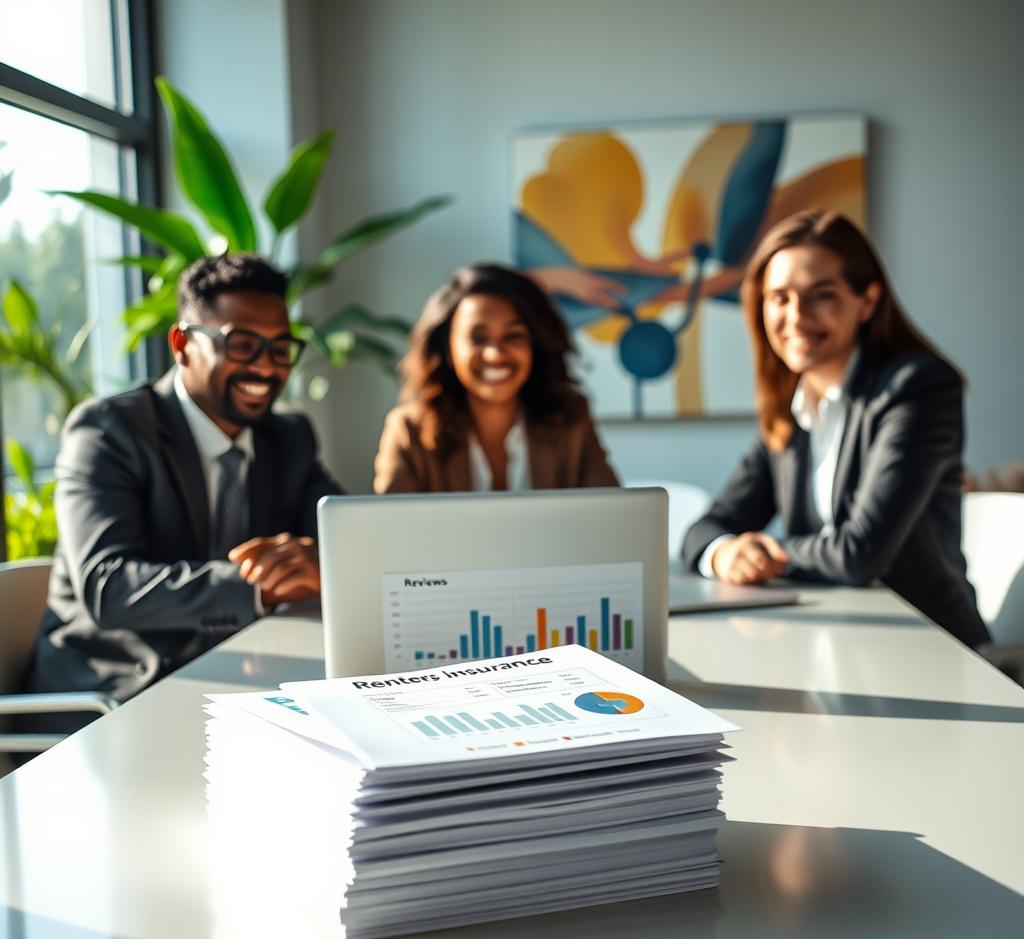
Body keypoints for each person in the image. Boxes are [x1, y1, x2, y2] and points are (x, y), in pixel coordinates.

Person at [24, 253, 343, 734]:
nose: (266, 367)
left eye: (281, 348)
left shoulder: (288, 437)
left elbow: (348, 535)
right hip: (112, 695)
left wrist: (324, 562)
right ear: (182, 343)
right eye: (242, 344)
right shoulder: (108, 432)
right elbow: (108, 586)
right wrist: (253, 585)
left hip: (234, 678)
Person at [682, 210, 989, 649]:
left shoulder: (918, 388)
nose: (797, 316)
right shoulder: (791, 407)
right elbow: (707, 527)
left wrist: (767, 554)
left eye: (821, 295)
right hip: (835, 638)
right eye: (780, 298)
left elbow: (860, 554)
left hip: (930, 643)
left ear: (867, 301)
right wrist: (725, 553)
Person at [374, 263, 619, 493]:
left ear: (535, 344)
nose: (495, 354)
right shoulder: (408, 430)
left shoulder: (571, 418)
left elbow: (613, 516)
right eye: (478, 339)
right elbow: (388, 530)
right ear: (448, 350)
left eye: (513, 336)